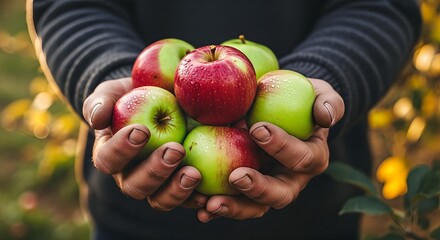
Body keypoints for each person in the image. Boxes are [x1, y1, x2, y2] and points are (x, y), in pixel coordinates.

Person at [27, 0, 421, 239]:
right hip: (134, 222)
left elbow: (380, 6)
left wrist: (321, 78)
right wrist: (117, 77)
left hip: (315, 219)